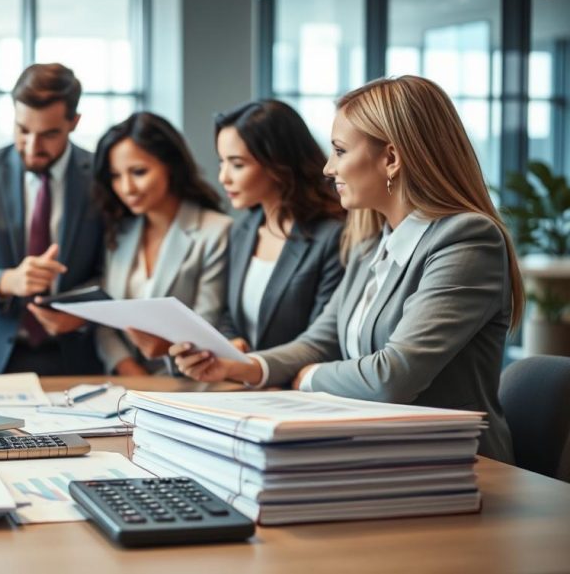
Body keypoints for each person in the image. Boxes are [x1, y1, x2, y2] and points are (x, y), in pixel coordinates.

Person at [171, 75, 522, 462]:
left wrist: (308, 378)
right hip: (373, 453)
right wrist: (242, 366)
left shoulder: (467, 239)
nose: (327, 168)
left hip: (453, 465)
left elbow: (394, 377)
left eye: (339, 151)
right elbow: (319, 341)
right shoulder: (371, 242)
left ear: (390, 158)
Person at [0, 63, 105, 376]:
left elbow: (112, 271)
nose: (33, 148)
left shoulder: (100, 177)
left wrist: (83, 313)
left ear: (74, 122)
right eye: (23, 130)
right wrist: (9, 281)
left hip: (75, 355)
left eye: (48, 134)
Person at [91, 112, 231, 375]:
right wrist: (130, 371)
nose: (126, 188)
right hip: (125, 386)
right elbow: (106, 320)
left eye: (139, 172)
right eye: (116, 176)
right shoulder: (120, 232)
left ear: (171, 165)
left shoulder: (215, 232)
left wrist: (166, 353)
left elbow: (206, 329)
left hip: (190, 385)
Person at [214, 100, 345, 354]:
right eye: (222, 162)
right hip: (243, 387)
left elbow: (323, 340)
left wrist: (259, 369)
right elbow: (229, 313)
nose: (223, 177)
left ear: (278, 163)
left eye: (237, 164)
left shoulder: (331, 236)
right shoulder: (243, 230)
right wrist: (232, 344)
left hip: (298, 386)